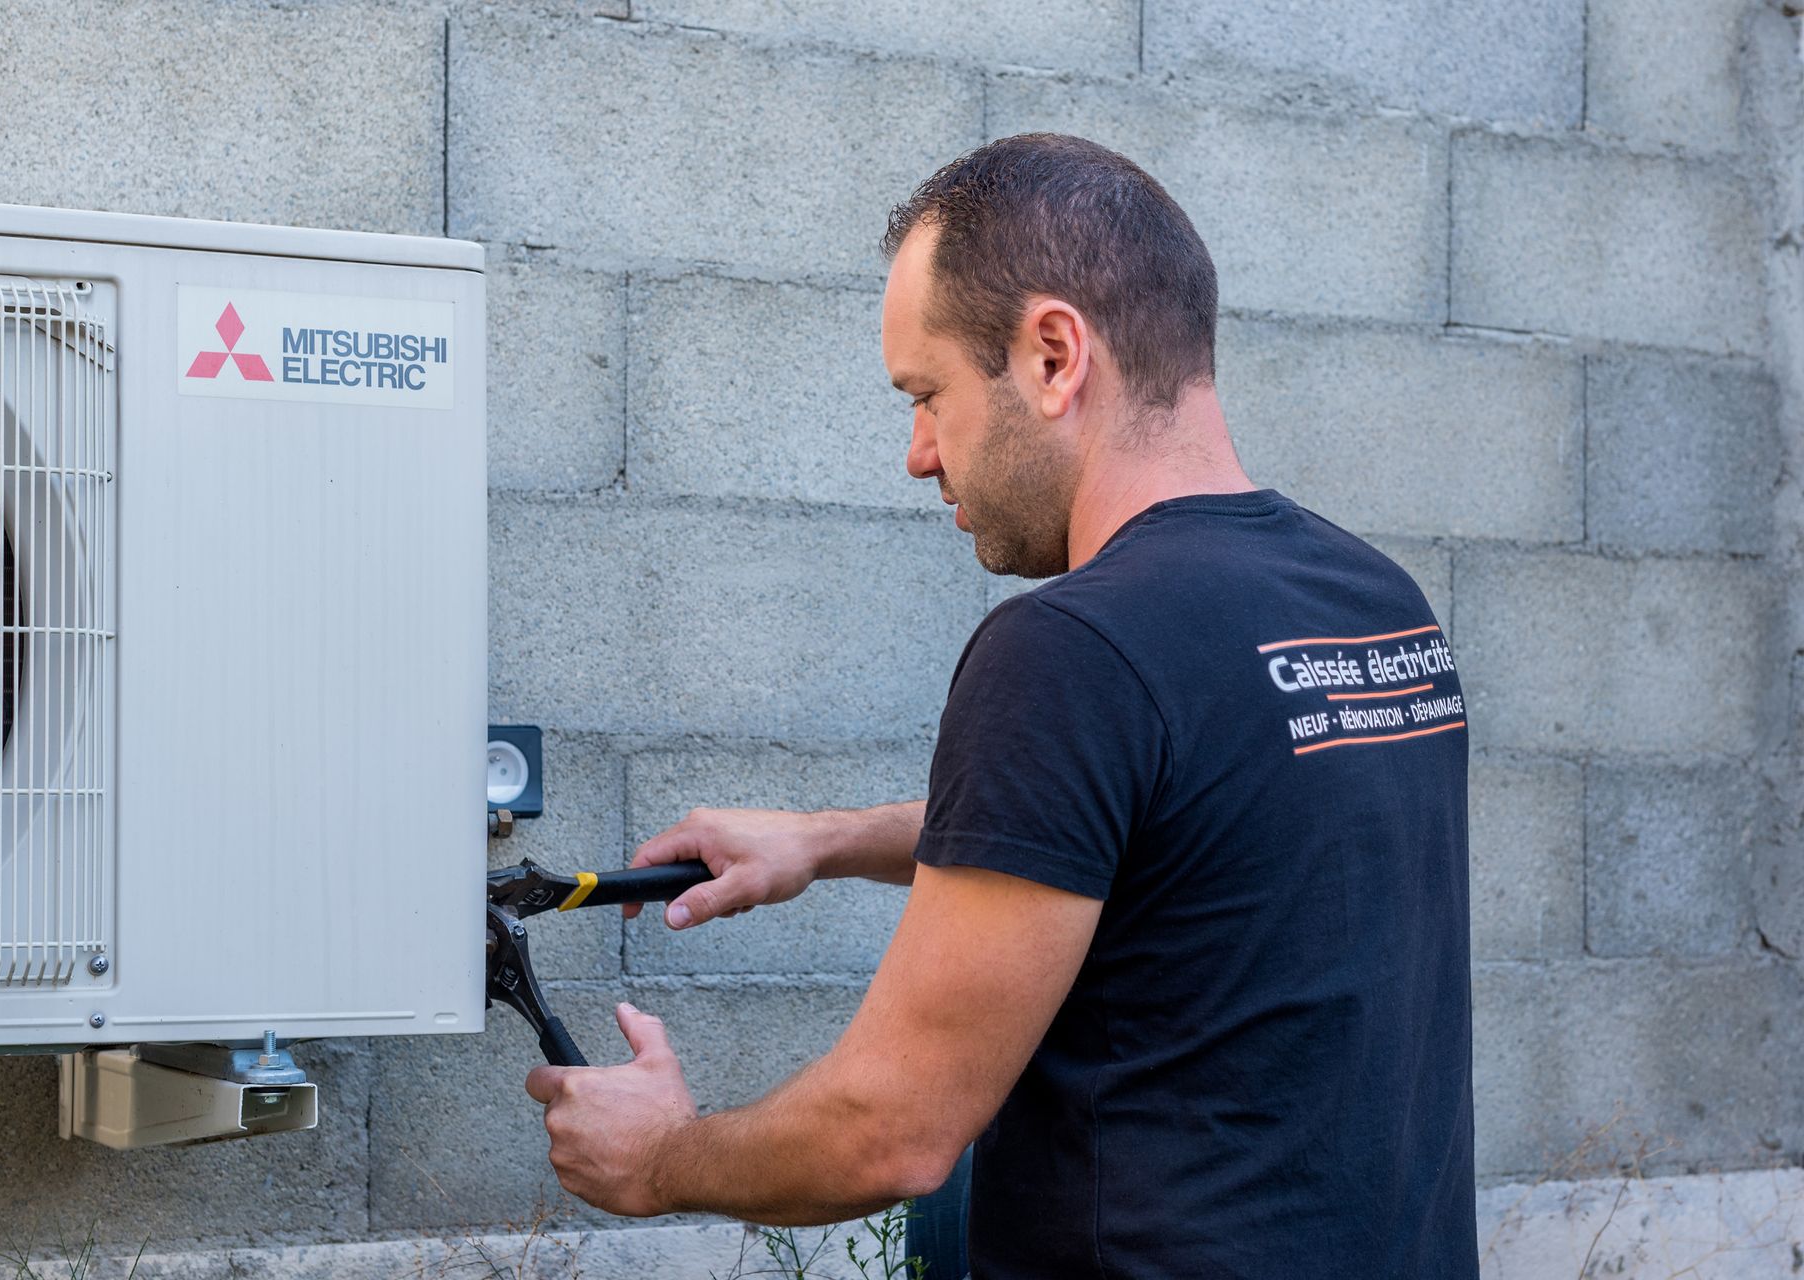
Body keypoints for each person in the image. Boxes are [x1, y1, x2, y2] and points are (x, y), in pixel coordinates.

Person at [523, 133, 1477, 1278]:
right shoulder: (1375, 607)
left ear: (1053, 355)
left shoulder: (1074, 647)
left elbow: (892, 1128)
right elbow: (1170, 835)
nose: (919, 455)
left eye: (928, 394)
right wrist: (826, 843)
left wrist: (661, 1156)